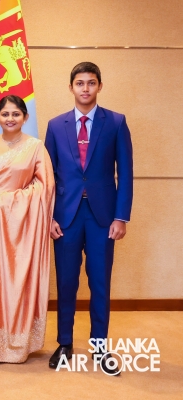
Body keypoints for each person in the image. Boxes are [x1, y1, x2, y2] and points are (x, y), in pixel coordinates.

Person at [45, 62, 133, 375]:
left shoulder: (116, 122)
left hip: (102, 218)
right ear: (71, 87)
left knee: (99, 282)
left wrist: (121, 217)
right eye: (80, 83)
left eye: (91, 82)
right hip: (65, 217)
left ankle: (99, 345)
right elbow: (48, 177)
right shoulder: (56, 125)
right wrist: (49, 216)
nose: (85, 88)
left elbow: (126, 173)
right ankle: (64, 342)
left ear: (99, 86)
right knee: (66, 282)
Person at [0, 95, 55, 365]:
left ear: (25, 117)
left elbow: (45, 186)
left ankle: (20, 342)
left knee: (20, 278)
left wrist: (8, 201)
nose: (10, 118)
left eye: (16, 114)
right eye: (5, 114)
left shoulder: (35, 147)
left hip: (25, 224)